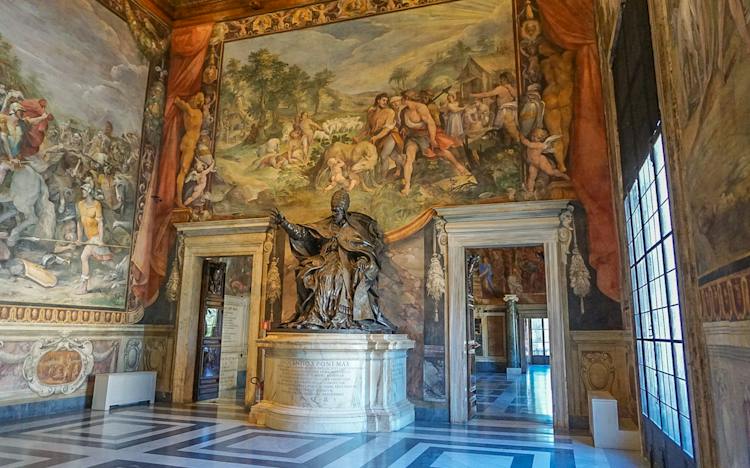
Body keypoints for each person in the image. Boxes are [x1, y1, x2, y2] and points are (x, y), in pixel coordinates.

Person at [271, 189, 395, 331]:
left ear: (344, 211)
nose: (334, 214)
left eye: (337, 211)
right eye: (333, 210)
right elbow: (303, 235)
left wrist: (362, 259)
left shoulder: (354, 229)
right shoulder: (325, 225)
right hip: (323, 260)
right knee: (306, 275)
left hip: (346, 262)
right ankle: (315, 317)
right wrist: (285, 223)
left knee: (330, 276)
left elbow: (365, 249)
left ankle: (329, 317)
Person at [399, 90, 470, 195]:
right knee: (409, 158)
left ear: (407, 99)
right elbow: (404, 125)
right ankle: (407, 185)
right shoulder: (404, 111)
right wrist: (403, 128)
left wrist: (432, 139)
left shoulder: (421, 108)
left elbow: (431, 124)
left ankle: (459, 166)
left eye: (402, 98)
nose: (401, 100)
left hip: (426, 136)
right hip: (412, 138)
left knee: (441, 152)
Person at [75, 183, 112, 294]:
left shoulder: (97, 204)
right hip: (89, 238)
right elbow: (79, 223)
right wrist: (79, 239)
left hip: (96, 237)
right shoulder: (80, 204)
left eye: (85, 190)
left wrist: (100, 240)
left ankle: (83, 287)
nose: (82, 192)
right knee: (104, 262)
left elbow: (100, 223)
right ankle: (84, 286)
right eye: (82, 190)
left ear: (90, 192)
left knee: (84, 257)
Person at [174, 92, 205, 208]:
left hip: (185, 141)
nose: (193, 99)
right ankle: (178, 200)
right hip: (190, 144)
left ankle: (179, 197)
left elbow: (178, 101)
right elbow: (190, 112)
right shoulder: (197, 113)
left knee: (183, 171)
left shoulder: (187, 109)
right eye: (196, 98)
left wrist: (183, 104)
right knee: (183, 172)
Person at [471, 72, 520, 142]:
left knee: (505, 130)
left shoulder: (501, 88)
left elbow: (487, 94)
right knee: (508, 130)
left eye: (502, 79)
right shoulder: (512, 88)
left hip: (505, 112)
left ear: (506, 79)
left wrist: (473, 95)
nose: (500, 81)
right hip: (511, 111)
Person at [367, 93, 402, 181]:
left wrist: (376, 137)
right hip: (379, 137)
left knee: (383, 156)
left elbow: (387, 129)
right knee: (394, 155)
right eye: (383, 100)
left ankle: (383, 178)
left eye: (386, 101)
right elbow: (368, 127)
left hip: (390, 135)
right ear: (378, 100)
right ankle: (402, 167)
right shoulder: (371, 112)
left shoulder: (389, 112)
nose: (385, 102)